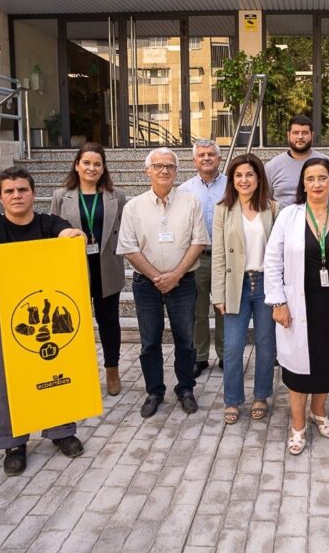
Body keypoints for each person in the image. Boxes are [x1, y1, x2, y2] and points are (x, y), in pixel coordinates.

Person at [0, 167, 87, 476]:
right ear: (1, 197)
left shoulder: (48, 223)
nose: (16, 195)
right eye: (9, 191)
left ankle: (60, 431)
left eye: (22, 190)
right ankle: (12, 443)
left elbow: (70, 233)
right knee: (0, 385)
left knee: (53, 374)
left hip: (45, 323)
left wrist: (74, 235)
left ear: (33, 193)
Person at [265, 158, 329, 455]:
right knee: (297, 368)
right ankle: (297, 425)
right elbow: (272, 260)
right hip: (297, 303)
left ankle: (319, 412)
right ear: (303, 184)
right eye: (310, 179)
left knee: (326, 363)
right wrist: (278, 302)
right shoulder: (289, 216)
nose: (317, 184)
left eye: (322, 178)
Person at [117, 147, 208, 418]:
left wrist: (176, 275)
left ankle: (185, 389)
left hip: (183, 283)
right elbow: (129, 247)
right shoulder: (134, 206)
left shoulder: (191, 202)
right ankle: (154, 391)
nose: (164, 170)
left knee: (186, 339)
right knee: (150, 341)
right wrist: (158, 277)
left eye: (170, 166)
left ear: (177, 171)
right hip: (147, 285)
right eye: (158, 166)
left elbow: (199, 241)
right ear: (148, 171)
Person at [51, 143, 127, 396]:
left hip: (107, 267)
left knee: (109, 322)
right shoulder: (61, 196)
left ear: (103, 168)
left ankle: (112, 370)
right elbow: (53, 232)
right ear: (77, 165)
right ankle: (80, 371)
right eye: (87, 163)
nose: (92, 168)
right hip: (74, 269)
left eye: (97, 164)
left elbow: (123, 231)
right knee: (76, 324)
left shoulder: (117, 196)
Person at [211, 154, 277, 424]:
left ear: (259, 177)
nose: (244, 180)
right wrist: (219, 294)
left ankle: (261, 395)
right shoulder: (223, 209)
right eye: (238, 175)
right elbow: (218, 255)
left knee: (265, 345)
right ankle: (233, 400)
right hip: (235, 284)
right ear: (232, 179)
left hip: (265, 285)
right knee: (233, 347)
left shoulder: (273, 207)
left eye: (249, 174)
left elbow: (280, 252)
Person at [178, 139, 226, 378]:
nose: (206, 158)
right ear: (194, 160)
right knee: (197, 311)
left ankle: (226, 355)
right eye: (202, 155)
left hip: (224, 257)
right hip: (196, 257)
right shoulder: (184, 190)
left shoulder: (232, 186)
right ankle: (199, 357)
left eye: (211, 154)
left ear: (219, 158)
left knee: (224, 309)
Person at [265, 114, 329, 209]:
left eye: (305, 133)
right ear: (288, 135)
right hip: (283, 222)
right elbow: (265, 198)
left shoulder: (326, 163)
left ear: (312, 135)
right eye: (295, 132)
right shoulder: (272, 166)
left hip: (319, 220)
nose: (300, 137)